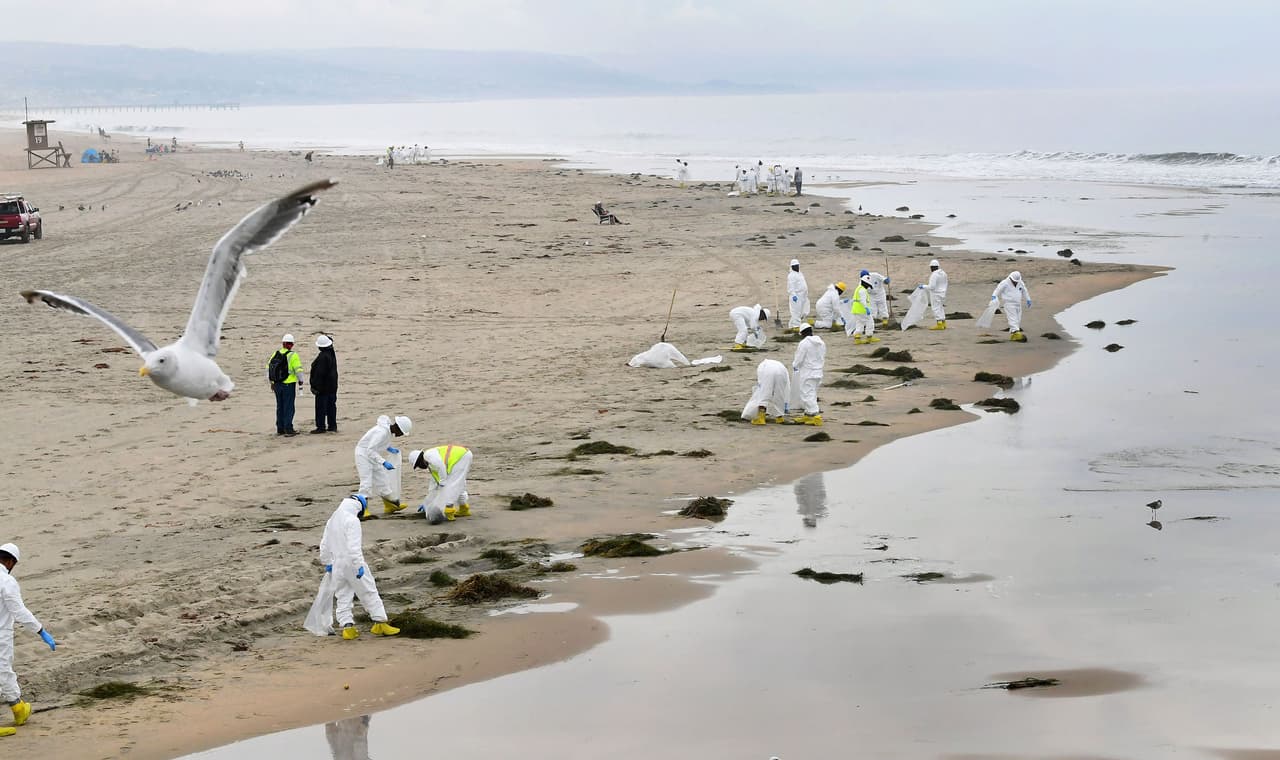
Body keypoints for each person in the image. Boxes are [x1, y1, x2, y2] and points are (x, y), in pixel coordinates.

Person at [310, 496, 401, 640]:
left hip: (337, 565)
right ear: (359, 507)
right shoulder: (352, 521)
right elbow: (354, 548)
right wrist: (359, 565)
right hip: (352, 563)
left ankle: (347, 628)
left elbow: (324, 544)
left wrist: (327, 562)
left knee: (343, 596)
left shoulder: (332, 520)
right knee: (368, 591)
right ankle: (380, 623)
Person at [0, 543, 55, 737]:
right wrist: (40, 631)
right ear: (11, 561)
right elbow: (18, 611)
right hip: (0, 634)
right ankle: (19, 710)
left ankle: (19, 709)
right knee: (3, 672)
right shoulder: (6, 581)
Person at [354, 415, 412, 513]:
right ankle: (363, 510)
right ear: (398, 428)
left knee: (383, 480)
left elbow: (380, 443)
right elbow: (370, 450)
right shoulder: (382, 432)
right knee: (366, 482)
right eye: (402, 433)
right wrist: (383, 462)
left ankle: (390, 505)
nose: (401, 435)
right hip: (363, 455)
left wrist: (388, 447)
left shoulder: (388, 431)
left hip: (373, 455)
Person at [409, 445, 474, 523]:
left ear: (419, 460)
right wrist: (426, 503)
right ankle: (464, 508)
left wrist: (443, 481)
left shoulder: (428, 455)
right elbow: (433, 484)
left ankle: (449, 511)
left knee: (452, 485)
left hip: (461, 456)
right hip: (462, 456)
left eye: (418, 465)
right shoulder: (431, 465)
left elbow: (440, 466)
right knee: (459, 483)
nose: (420, 467)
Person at [790, 324, 826, 425]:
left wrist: (795, 365)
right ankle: (808, 414)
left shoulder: (804, 343)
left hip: (808, 372)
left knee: (807, 394)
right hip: (818, 372)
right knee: (812, 393)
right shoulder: (821, 342)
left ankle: (815, 416)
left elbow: (799, 358)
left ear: (802, 333)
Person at [267, 334, 303, 436]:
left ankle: (280, 428)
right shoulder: (293, 355)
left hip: (277, 384)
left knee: (280, 406)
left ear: (283, 343)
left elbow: (268, 369)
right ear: (291, 344)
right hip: (289, 385)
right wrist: (301, 381)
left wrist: (272, 382)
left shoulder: (275, 354)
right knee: (289, 407)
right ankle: (288, 428)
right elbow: (298, 370)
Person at [740, 359, 790, 425]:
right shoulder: (777, 364)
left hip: (768, 371)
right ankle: (779, 418)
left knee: (764, 394)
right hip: (782, 370)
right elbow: (786, 387)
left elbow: (762, 388)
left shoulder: (761, 367)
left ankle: (761, 418)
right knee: (779, 394)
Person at [309, 334, 338, 434]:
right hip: (332, 386)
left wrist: (315, 387)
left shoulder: (323, 357)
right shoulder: (331, 354)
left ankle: (321, 427)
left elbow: (319, 374)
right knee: (331, 407)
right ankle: (332, 425)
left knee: (321, 408)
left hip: (323, 388)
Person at [992, 270, 1032, 341]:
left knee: (1018, 319)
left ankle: (1014, 334)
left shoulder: (1020, 282)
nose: (1016, 282)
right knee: (1012, 318)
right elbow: (997, 290)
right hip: (1009, 304)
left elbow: (1024, 291)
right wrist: (994, 296)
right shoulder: (1005, 283)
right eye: (1014, 280)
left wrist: (1028, 299)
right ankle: (1016, 332)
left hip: (1018, 304)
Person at [848, 275, 880, 344]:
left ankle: (857, 338)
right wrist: (866, 308)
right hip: (862, 310)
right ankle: (869, 337)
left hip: (856, 310)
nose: (869, 287)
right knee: (870, 322)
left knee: (859, 324)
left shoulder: (858, 288)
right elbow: (863, 300)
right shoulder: (863, 290)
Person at [925, 259, 949, 330]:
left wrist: (923, 286)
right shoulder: (943, 273)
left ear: (932, 267)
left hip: (935, 294)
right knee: (940, 308)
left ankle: (939, 325)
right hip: (942, 293)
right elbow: (945, 283)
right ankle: (944, 323)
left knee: (936, 308)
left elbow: (932, 287)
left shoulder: (934, 275)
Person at [786, 259, 810, 330]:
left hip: (803, 296)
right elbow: (791, 287)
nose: (796, 267)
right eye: (795, 266)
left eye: (797, 265)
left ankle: (791, 325)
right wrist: (794, 295)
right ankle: (796, 326)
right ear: (792, 267)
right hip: (796, 296)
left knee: (803, 311)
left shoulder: (800, 273)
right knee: (796, 311)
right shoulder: (791, 276)